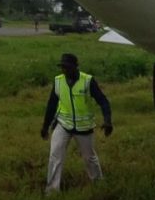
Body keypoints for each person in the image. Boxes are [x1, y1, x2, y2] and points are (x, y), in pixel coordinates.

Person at [40, 53, 113, 192]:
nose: (65, 70)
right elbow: (51, 105)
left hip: (84, 128)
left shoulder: (88, 81)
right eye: (62, 67)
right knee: (55, 156)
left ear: (76, 66)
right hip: (63, 124)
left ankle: (98, 185)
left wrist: (108, 121)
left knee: (89, 158)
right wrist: (45, 126)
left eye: (67, 67)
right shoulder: (58, 81)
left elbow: (103, 101)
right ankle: (52, 191)